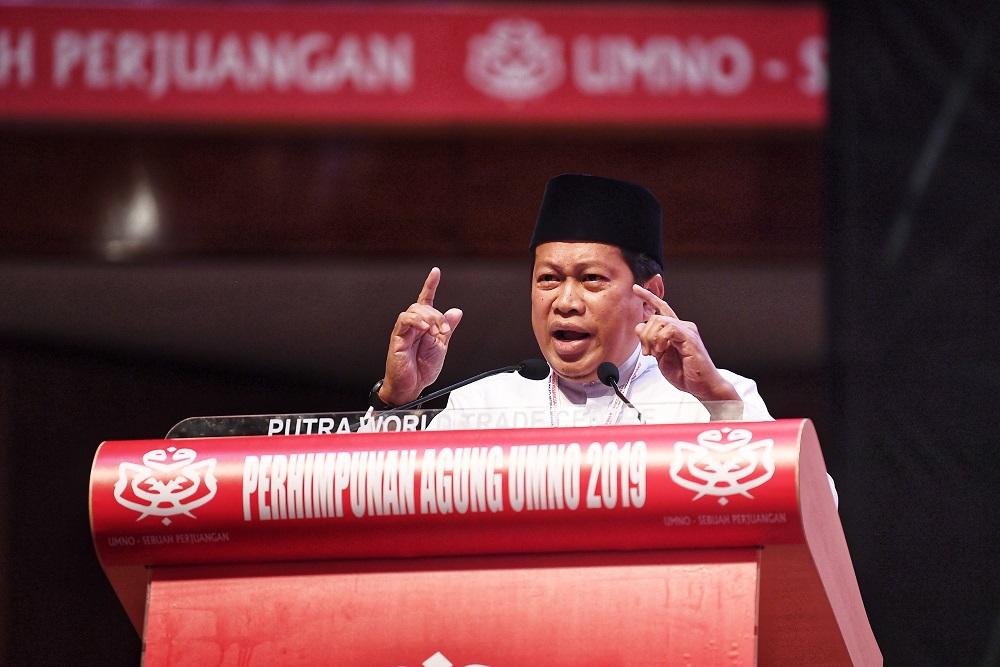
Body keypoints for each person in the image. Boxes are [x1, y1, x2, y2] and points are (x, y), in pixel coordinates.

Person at [369, 173, 771, 428]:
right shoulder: (482, 405)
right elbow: (372, 502)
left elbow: (814, 500)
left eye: (591, 279)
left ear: (651, 297)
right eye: (548, 279)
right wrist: (395, 398)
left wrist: (716, 400)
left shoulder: (714, 397)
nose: (565, 301)